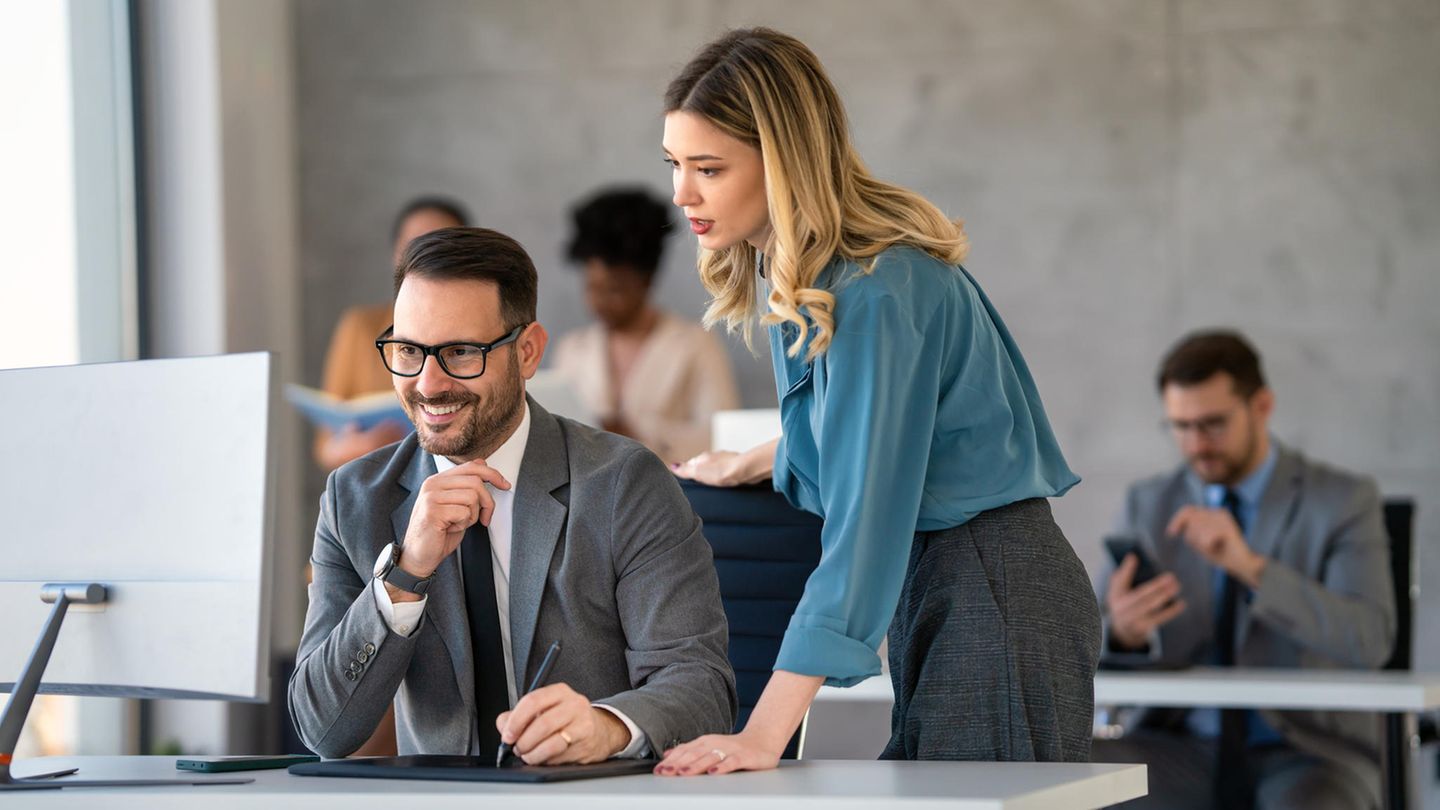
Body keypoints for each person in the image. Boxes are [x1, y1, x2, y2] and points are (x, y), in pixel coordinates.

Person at [656, 27, 1099, 776]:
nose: (682, 194)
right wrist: (765, 457)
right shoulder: (827, 283)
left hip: (992, 590)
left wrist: (763, 733)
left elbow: (865, 526)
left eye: (709, 167)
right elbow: (889, 440)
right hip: (951, 586)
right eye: (674, 164)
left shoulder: (876, 291)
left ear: (785, 162)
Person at [289, 227, 736, 761]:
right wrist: (405, 573)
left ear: (527, 352)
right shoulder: (354, 499)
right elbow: (322, 730)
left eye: (460, 352)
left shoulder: (624, 483)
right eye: (408, 351)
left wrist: (607, 727)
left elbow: (701, 686)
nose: (428, 384)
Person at [1091, 330, 1395, 810]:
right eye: (1180, 426)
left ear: (1262, 406)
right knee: (1072, 785)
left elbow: (1370, 639)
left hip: (1308, 750)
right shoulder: (1148, 505)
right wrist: (1123, 632)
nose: (1196, 444)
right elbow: (1091, 637)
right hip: (1177, 745)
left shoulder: (1341, 502)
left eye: (1212, 424)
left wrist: (1251, 568)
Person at [551, 187, 739, 464]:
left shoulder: (694, 344)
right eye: (592, 287)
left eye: (615, 290)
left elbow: (722, 434)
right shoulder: (572, 349)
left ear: (647, 281)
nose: (600, 301)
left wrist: (640, 433)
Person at [312, 196, 471, 471]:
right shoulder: (359, 327)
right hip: (379, 479)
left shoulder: (482, 333)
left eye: (444, 246)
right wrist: (361, 447)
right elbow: (326, 445)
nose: (428, 258)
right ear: (395, 255)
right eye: (414, 246)